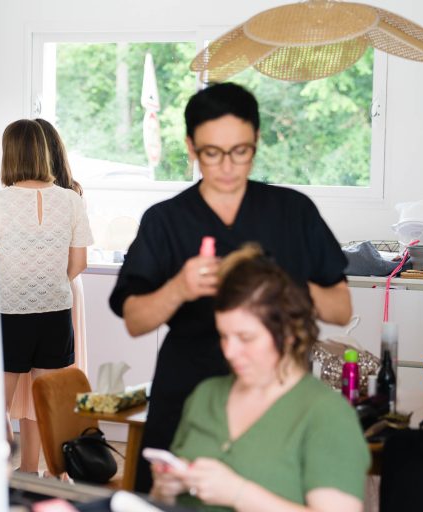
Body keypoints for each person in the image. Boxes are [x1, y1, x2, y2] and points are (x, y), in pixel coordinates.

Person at [109, 82, 352, 491]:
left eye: (241, 151)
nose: (227, 167)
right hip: (188, 391)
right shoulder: (167, 220)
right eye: (211, 153)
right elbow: (134, 320)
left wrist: (283, 284)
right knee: (167, 495)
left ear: (256, 141)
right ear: (190, 147)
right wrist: (179, 288)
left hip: (276, 391)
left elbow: (340, 309)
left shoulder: (293, 212)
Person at [151, 244, 369, 511]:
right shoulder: (205, 396)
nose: (230, 352)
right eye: (224, 336)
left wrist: (238, 494)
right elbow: (165, 502)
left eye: (246, 338)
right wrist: (165, 491)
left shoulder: (327, 414)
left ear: (289, 333)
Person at [0, 119, 93, 472]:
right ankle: (41, 473)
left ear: (9, 154)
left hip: (8, 314)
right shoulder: (70, 200)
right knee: (45, 403)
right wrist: (49, 283)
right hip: (55, 314)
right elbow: (79, 262)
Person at [8, 118, 88, 474]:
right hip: (62, 291)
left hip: (47, 294)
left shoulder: (63, 196)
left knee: (38, 388)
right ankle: (50, 469)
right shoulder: (71, 193)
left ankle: (36, 466)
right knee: (48, 386)